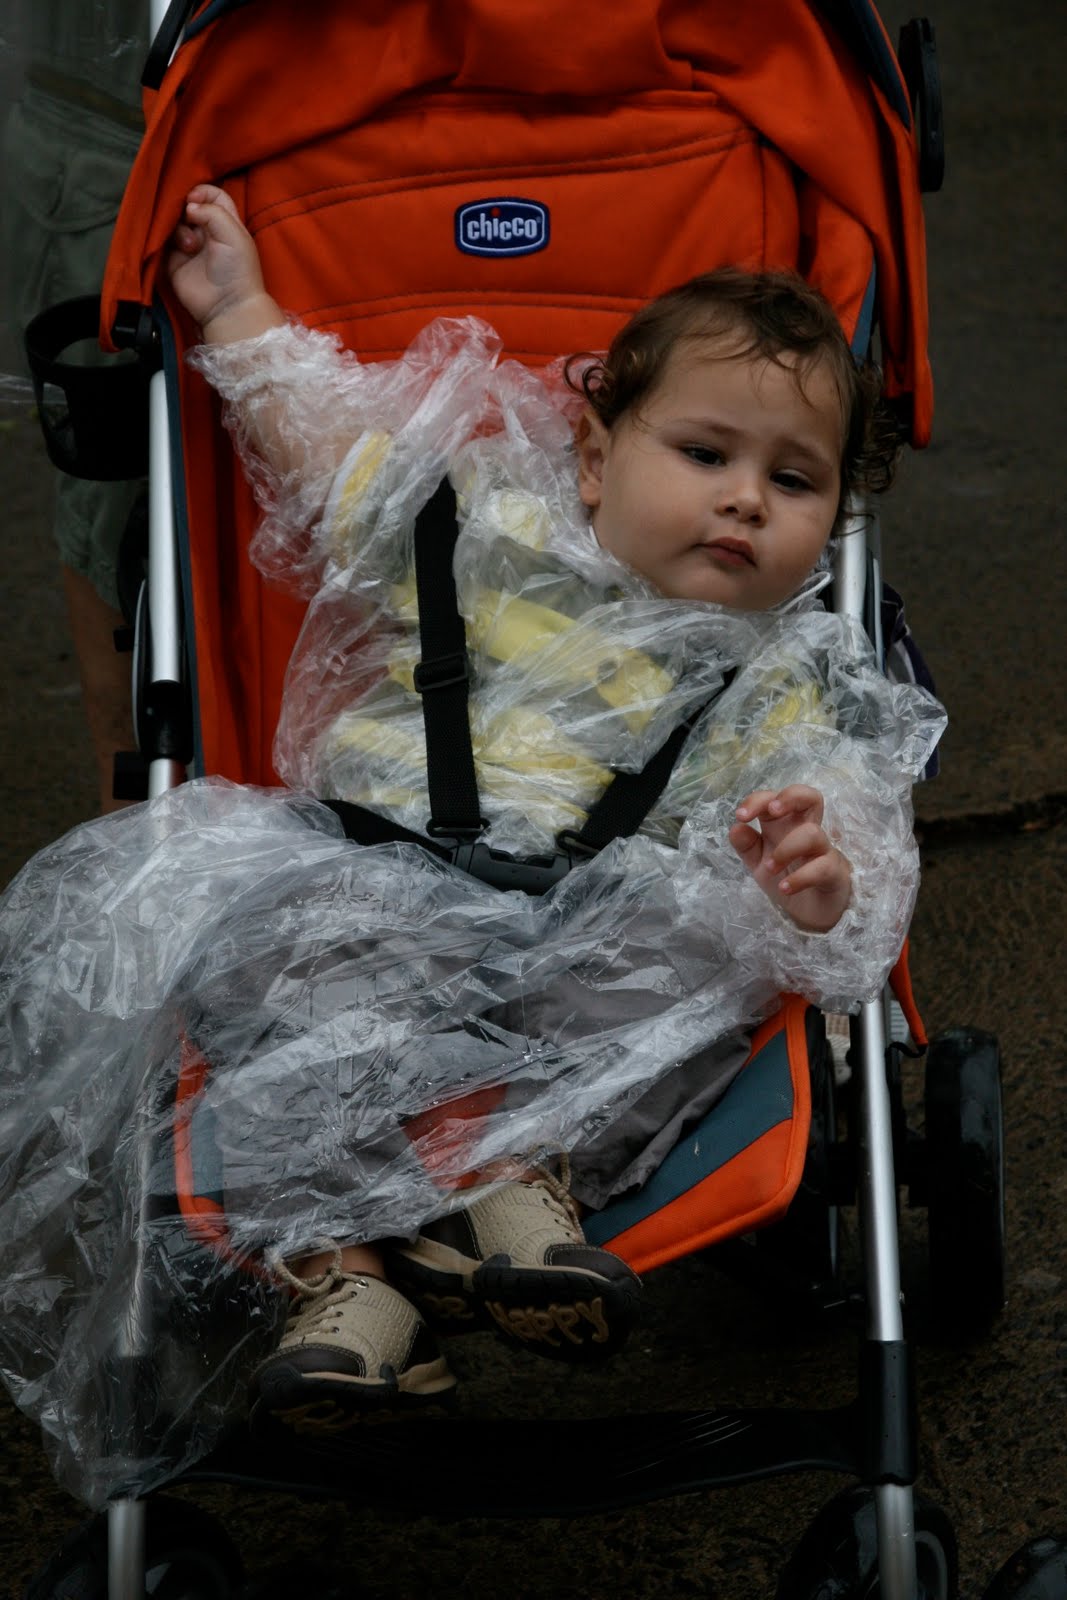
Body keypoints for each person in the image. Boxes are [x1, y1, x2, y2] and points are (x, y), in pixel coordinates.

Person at [0, 185, 945, 1475]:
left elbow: (844, 838)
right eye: (705, 455)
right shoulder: (490, 534)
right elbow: (330, 461)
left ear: (832, 522)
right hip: (389, 891)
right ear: (599, 458)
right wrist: (239, 315)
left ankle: (427, 1233)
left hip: (578, 974)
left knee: (703, 948)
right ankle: (417, 1250)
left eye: (792, 481)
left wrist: (813, 877)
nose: (742, 501)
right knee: (276, 934)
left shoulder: (789, 675)